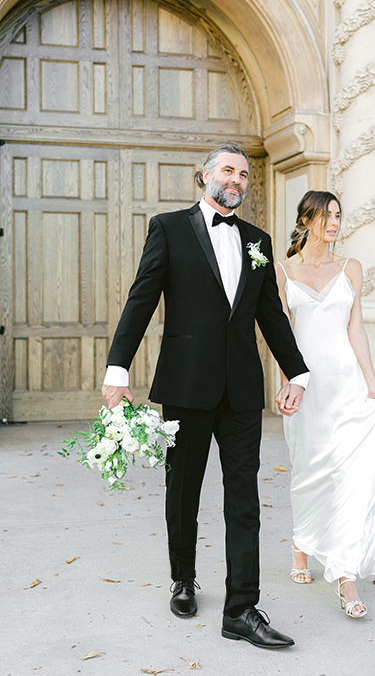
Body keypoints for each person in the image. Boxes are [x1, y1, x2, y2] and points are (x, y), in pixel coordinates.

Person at [102, 143, 309, 648]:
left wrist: (297, 373)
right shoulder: (169, 228)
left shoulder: (257, 241)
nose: (237, 178)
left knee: (244, 500)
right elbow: (141, 298)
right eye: (228, 170)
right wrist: (117, 368)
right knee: (183, 491)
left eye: (243, 173)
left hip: (241, 392)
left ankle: (242, 608)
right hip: (186, 385)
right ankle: (183, 578)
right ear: (205, 176)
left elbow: (271, 317)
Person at [275, 190, 375, 618]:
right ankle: (302, 544)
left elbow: (356, 329)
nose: (334, 223)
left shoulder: (351, 268)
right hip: (308, 387)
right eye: (326, 216)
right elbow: (281, 335)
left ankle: (345, 576)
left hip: (347, 385)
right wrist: (288, 384)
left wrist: (373, 383)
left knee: (349, 476)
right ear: (306, 220)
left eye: (338, 215)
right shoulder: (283, 272)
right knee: (309, 470)